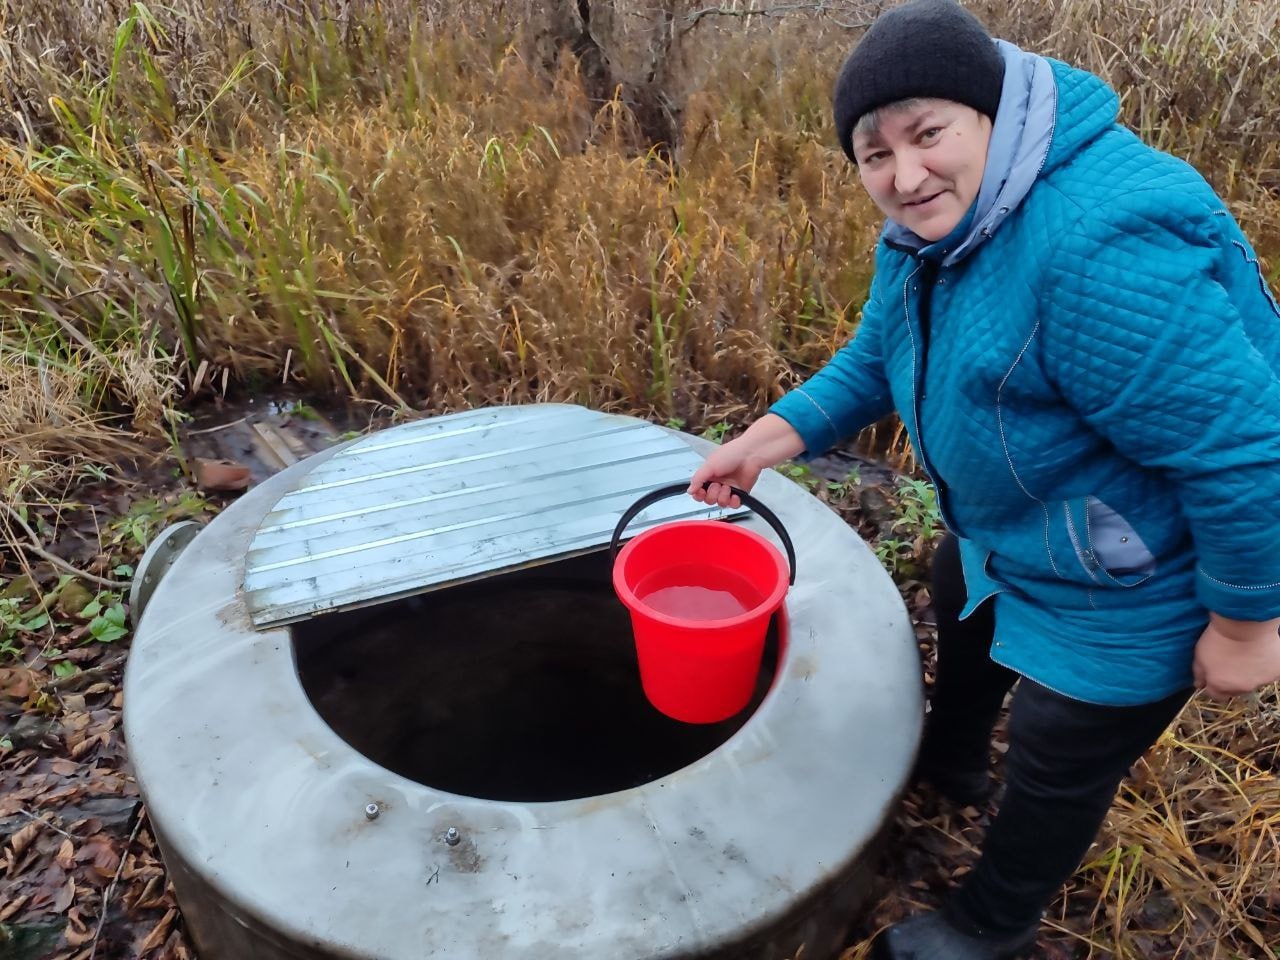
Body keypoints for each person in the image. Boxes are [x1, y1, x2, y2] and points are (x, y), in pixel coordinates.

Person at [686, 1, 1280, 957]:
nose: (904, 175)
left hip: (1138, 578)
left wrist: (1246, 627)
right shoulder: (935, 229)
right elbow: (882, 351)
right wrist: (771, 436)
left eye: (928, 134)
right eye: (875, 154)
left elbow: (1241, 452)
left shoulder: (1095, 247)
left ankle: (990, 923)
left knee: (1058, 750)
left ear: (993, 113)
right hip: (1025, 525)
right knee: (957, 587)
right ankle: (953, 759)